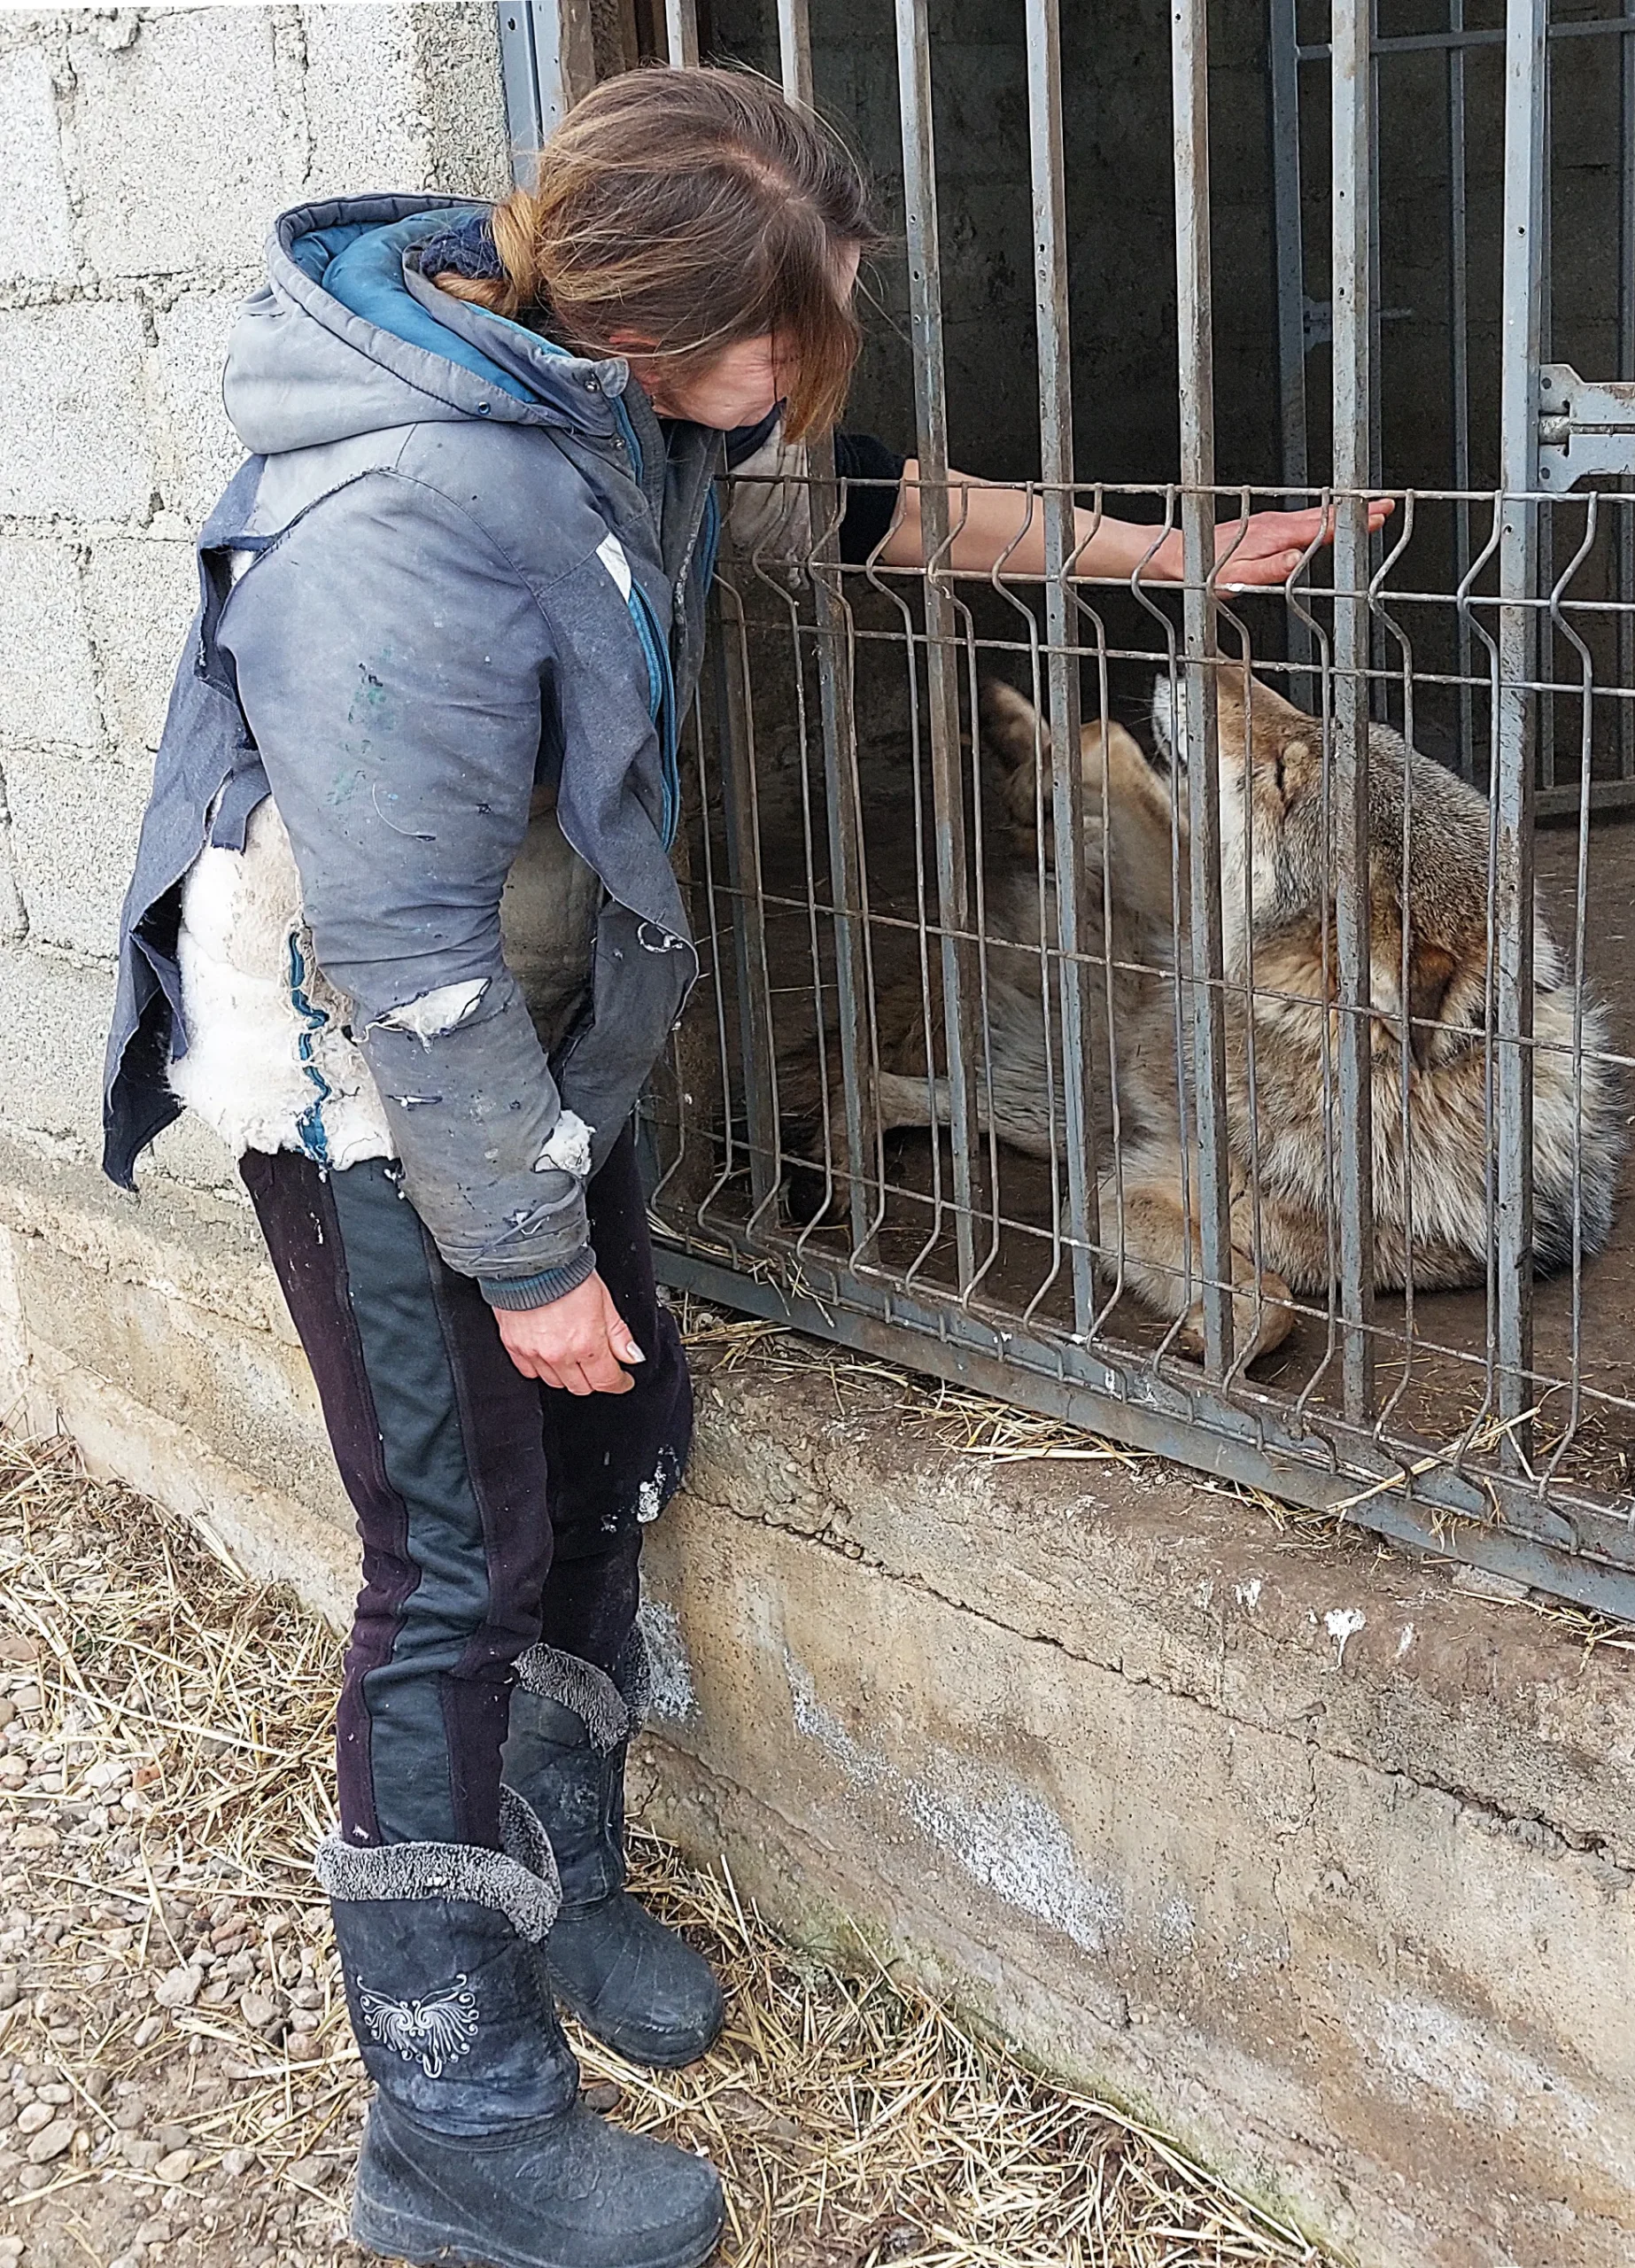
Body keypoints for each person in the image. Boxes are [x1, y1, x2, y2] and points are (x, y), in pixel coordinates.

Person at [102, 64, 1385, 2268]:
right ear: (641, 321)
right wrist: (517, 1257)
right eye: (789, 332)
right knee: (453, 1555)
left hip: (522, 1036)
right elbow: (397, 941)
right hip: (369, 1065)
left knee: (609, 1447)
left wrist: (1162, 552)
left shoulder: (630, 413)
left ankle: (557, 1868)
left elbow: (871, 504)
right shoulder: (404, 506)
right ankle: (448, 2113)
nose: (803, 381)